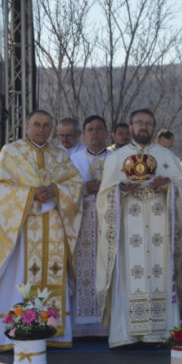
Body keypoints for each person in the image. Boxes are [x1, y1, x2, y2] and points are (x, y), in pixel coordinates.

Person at [0, 110, 83, 351]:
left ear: (51, 129)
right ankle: (15, 334)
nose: (41, 129)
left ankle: (54, 335)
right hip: (23, 229)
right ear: (27, 127)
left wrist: (56, 190)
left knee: (52, 276)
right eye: (36, 124)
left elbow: (76, 184)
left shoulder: (60, 155)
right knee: (21, 279)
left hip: (54, 228)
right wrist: (30, 193)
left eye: (46, 125)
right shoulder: (11, 152)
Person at [96, 108, 182, 348]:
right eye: (139, 123)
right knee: (129, 279)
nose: (143, 127)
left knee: (161, 275)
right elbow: (103, 195)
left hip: (160, 234)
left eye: (148, 123)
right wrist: (120, 190)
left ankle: (162, 331)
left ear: (154, 126)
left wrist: (168, 184)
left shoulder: (166, 157)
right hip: (129, 234)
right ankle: (126, 333)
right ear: (131, 126)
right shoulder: (116, 158)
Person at [68, 115, 110, 337]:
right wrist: (83, 189)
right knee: (82, 270)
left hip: (109, 223)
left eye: (99, 129)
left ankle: (107, 325)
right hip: (81, 222)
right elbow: (64, 190)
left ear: (106, 133)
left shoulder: (116, 159)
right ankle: (80, 327)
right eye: (90, 129)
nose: (94, 133)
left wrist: (105, 188)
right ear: (84, 134)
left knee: (108, 269)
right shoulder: (74, 159)